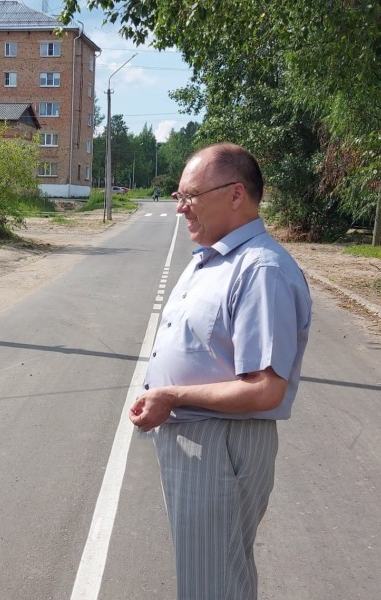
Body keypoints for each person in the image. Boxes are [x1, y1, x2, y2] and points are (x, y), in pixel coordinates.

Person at [129, 142, 312, 599]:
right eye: (178, 196)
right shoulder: (214, 259)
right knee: (211, 578)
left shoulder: (260, 270)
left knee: (212, 584)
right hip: (201, 441)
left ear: (235, 195)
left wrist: (172, 396)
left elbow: (265, 389)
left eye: (190, 196)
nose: (180, 208)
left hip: (221, 443)